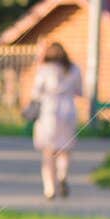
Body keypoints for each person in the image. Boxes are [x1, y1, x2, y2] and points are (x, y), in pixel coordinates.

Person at [30, 41, 83, 199]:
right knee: (65, 150)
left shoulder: (44, 70)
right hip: (68, 111)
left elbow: (36, 93)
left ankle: (49, 188)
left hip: (49, 112)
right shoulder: (74, 69)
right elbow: (80, 91)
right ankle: (62, 176)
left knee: (48, 152)